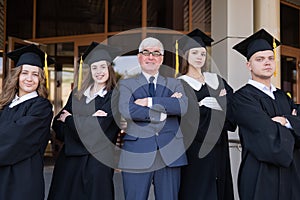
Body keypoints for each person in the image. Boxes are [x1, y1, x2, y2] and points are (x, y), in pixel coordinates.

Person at [232, 28, 300, 200]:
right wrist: (294, 123)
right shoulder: (241, 98)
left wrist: (284, 121)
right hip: (260, 177)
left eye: (270, 58)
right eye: (260, 59)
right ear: (249, 65)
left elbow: (274, 130)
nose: (267, 62)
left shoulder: (283, 96)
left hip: (291, 176)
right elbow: (267, 139)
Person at [48, 42, 121, 200]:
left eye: (103, 67)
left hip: (97, 165)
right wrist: (87, 121)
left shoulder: (115, 97)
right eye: (94, 67)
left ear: (109, 68)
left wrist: (69, 119)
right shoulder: (77, 94)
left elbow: (99, 130)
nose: (98, 72)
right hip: (68, 163)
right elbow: (57, 126)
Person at [118, 37, 188, 200]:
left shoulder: (175, 84)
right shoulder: (126, 84)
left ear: (161, 58)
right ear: (139, 57)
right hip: (137, 152)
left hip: (170, 153)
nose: (151, 57)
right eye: (146, 52)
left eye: (156, 53)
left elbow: (182, 107)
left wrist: (149, 102)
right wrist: (165, 110)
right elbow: (127, 110)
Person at [177, 28, 236, 200]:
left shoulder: (216, 80)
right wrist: (218, 104)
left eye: (203, 53)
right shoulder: (179, 84)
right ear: (185, 55)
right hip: (195, 149)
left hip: (220, 147)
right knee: (198, 189)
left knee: (220, 188)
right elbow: (187, 118)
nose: (199, 57)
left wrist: (203, 106)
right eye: (194, 53)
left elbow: (232, 110)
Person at [0, 44, 54, 200]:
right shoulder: (6, 104)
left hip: (23, 179)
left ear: (41, 79)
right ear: (17, 76)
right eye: (25, 73)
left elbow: (17, 137)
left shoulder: (41, 107)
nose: (29, 79)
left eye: (35, 74)